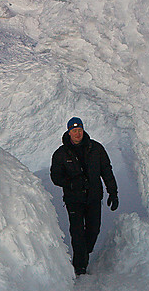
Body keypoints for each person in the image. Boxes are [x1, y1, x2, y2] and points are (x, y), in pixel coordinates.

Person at [50, 117, 119, 275]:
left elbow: (107, 172)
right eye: (74, 131)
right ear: (68, 132)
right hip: (74, 200)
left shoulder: (96, 149)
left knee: (93, 230)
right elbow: (55, 177)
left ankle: (84, 253)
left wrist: (113, 193)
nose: (77, 133)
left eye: (79, 130)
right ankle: (79, 266)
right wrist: (71, 183)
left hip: (94, 198)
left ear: (83, 130)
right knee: (77, 232)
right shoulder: (61, 154)